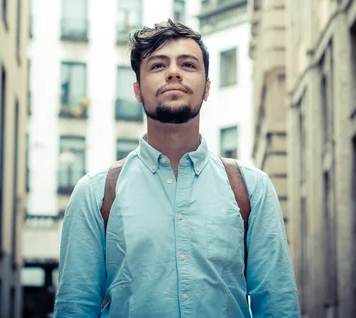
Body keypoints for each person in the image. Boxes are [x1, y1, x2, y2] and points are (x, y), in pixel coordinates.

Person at [54, 20, 300, 317]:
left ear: (207, 88)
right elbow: (75, 308)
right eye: (157, 66)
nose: (173, 72)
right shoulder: (94, 194)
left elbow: (278, 306)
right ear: (137, 90)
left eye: (188, 64)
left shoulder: (252, 188)